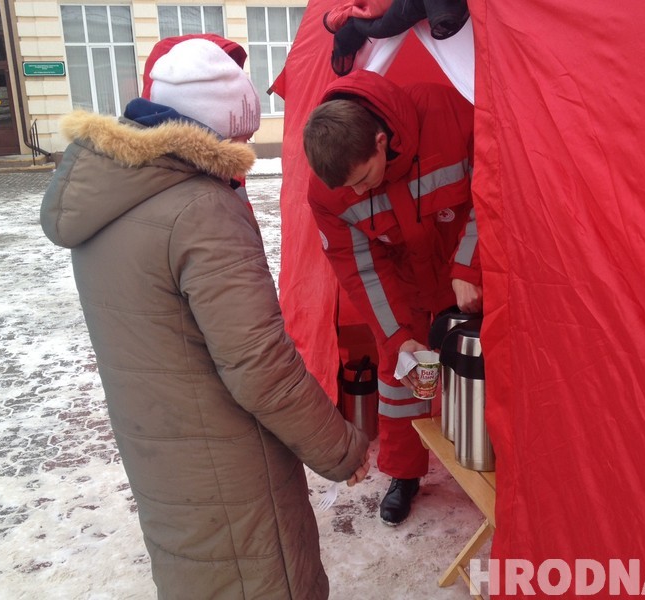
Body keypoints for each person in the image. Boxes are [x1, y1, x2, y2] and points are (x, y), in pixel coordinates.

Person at [40, 36, 370, 599]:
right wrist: (340, 448)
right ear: (213, 129)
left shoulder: (110, 194)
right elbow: (259, 364)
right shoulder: (201, 209)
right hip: (231, 468)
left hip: (162, 454)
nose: (244, 148)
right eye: (241, 134)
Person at [302, 69, 481, 526]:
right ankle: (404, 474)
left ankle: (499, 458)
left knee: (487, 365)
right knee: (399, 371)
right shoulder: (328, 190)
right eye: (350, 188)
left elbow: (495, 192)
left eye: (363, 178)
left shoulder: (450, 114)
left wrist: (469, 265)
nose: (359, 193)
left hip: (466, 267)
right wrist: (398, 334)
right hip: (401, 282)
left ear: (380, 141)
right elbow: (359, 266)